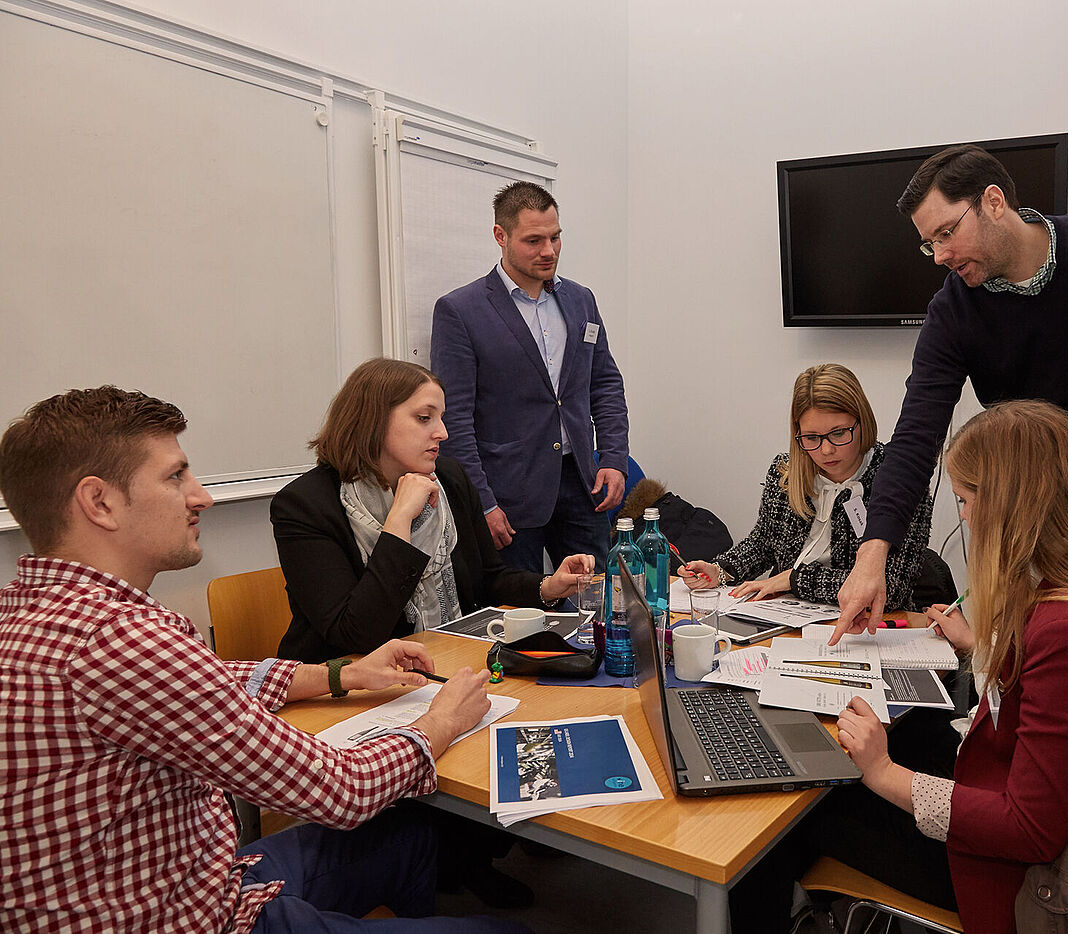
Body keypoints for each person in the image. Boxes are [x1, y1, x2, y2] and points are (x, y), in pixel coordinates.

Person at [0, 387, 526, 934]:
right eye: (175, 476)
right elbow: (340, 791)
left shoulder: (41, 612)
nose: (200, 496)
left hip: (184, 878)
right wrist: (441, 720)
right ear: (99, 502)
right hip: (193, 917)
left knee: (410, 838)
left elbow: (201, 683)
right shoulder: (121, 640)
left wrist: (339, 674)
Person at [833, 145, 1068, 818]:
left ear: (996, 203)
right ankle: (1045, 820)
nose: (942, 255)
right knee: (1044, 672)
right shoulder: (957, 311)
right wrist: (874, 549)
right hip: (1042, 518)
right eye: (929, 245)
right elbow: (918, 433)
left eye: (947, 233)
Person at [732, 400, 1068, 934]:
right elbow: (1057, 710)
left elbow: (1027, 829)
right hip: (1020, 792)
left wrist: (884, 774)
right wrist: (979, 649)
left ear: (1015, 507)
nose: (962, 517)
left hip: (1017, 874)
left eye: (965, 501)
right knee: (905, 735)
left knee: (782, 821)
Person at [271, 357, 594, 663]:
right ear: (373, 420)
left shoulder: (448, 478)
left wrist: (547, 586)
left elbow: (487, 580)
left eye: (440, 418)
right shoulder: (305, 505)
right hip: (343, 684)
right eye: (424, 418)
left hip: (444, 659)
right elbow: (355, 634)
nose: (442, 432)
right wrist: (399, 520)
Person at [432, 181, 629, 573]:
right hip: (507, 495)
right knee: (521, 618)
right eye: (534, 240)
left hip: (580, 484)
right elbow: (454, 419)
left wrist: (614, 457)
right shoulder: (460, 311)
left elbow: (604, 383)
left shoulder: (581, 299)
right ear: (500, 236)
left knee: (600, 604)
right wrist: (481, 502)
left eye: (555, 238)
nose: (548, 251)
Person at [678, 363, 932, 608]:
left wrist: (793, 580)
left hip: (869, 626)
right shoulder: (786, 472)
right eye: (811, 437)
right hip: (786, 616)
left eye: (839, 433)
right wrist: (721, 570)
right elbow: (764, 543)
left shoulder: (900, 479)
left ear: (862, 422)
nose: (827, 449)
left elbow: (891, 587)